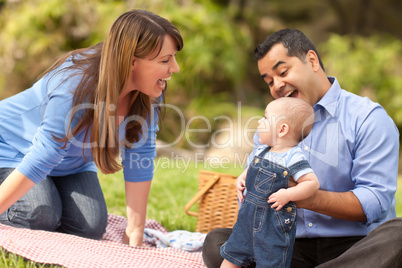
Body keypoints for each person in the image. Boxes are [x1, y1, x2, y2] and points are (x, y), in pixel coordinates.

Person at [202, 29, 402, 268]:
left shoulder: (368, 118)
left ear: (312, 60)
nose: (277, 85)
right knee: (218, 242)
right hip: (286, 243)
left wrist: (307, 197)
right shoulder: (270, 127)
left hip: (355, 245)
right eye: (269, 81)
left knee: (398, 235)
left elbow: (375, 201)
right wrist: (248, 187)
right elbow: (255, 193)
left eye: (283, 72)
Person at [0, 9, 183, 246]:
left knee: (90, 226)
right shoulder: (73, 85)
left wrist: (135, 232)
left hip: (68, 162)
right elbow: (42, 158)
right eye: (165, 60)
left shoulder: (149, 93)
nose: (175, 68)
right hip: (12, 149)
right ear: (131, 61)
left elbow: (139, 157)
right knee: (39, 215)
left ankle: (48, 194)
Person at [220, 97, 320, 268]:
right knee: (232, 253)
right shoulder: (263, 150)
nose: (259, 121)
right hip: (247, 220)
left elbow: (312, 183)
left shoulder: (293, 157)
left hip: (272, 226)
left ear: (282, 129)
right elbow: (251, 168)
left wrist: (288, 194)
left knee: (270, 261)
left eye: (265, 118)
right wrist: (242, 178)